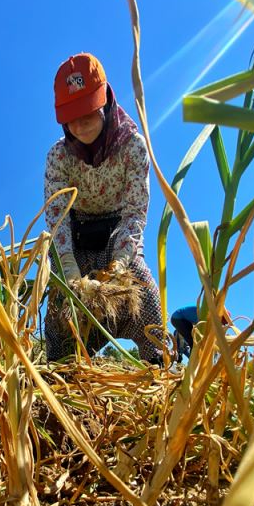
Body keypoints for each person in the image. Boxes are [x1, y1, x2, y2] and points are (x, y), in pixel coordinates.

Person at [43, 52, 163, 364]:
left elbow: (136, 209)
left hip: (118, 236)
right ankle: (60, 377)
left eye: (88, 114)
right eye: (71, 117)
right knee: (60, 311)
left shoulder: (133, 147)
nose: (80, 126)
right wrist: (67, 266)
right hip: (74, 238)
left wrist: (120, 264)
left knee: (145, 295)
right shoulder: (59, 157)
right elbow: (57, 216)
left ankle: (156, 371)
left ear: (106, 102)